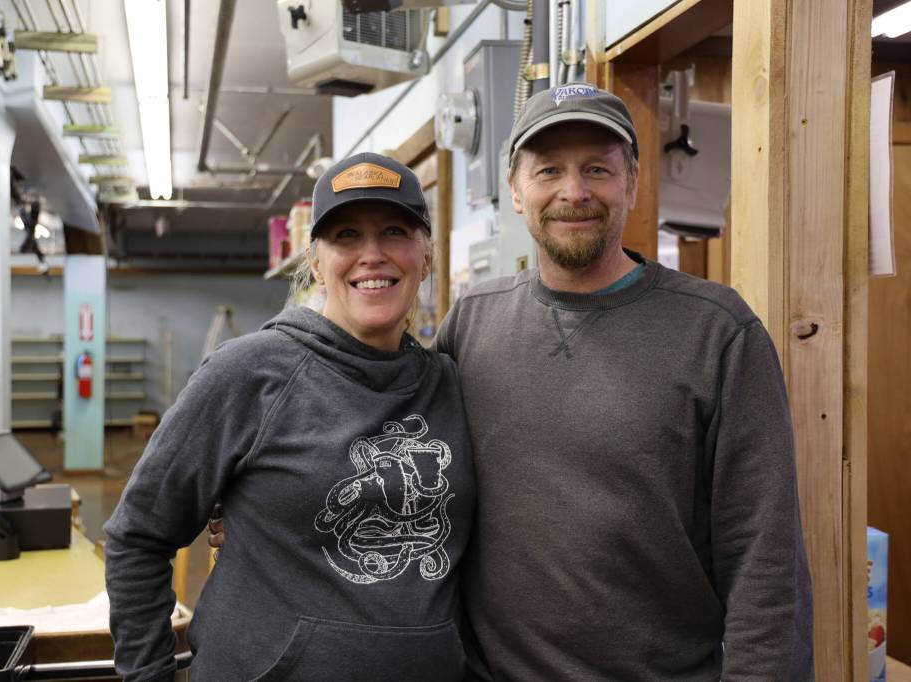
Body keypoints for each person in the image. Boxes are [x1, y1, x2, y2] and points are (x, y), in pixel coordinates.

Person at [433, 84, 814, 680]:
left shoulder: (717, 332)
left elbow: (764, 558)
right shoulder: (471, 322)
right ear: (514, 189)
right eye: (549, 170)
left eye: (596, 170)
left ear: (631, 182)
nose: (574, 192)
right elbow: (398, 458)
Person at [104, 152, 476, 682]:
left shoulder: (451, 383)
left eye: (395, 231)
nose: (372, 254)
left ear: (426, 256)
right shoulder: (248, 373)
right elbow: (137, 536)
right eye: (346, 236)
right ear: (317, 262)